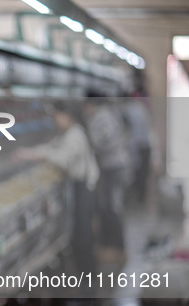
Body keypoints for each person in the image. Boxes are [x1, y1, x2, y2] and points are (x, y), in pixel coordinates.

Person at [12, 102, 100, 286]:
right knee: (79, 233)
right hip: (78, 185)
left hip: (84, 187)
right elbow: (52, 148)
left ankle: (88, 283)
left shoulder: (76, 135)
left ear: (67, 115)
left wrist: (38, 156)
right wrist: (29, 153)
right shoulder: (68, 133)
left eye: (57, 116)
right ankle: (85, 280)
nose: (55, 120)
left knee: (83, 235)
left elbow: (63, 159)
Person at [84, 92, 130, 264]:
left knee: (111, 206)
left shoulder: (101, 117)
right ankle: (113, 247)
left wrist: (89, 142)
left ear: (90, 105)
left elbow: (101, 140)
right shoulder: (109, 114)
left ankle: (118, 248)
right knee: (109, 205)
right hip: (114, 164)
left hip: (113, 165)